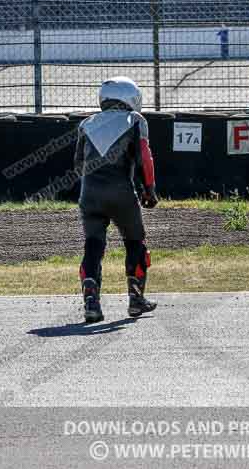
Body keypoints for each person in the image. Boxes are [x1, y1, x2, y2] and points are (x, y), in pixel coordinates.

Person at [74, 76, 159, 323]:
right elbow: (145, 157)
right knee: (135, 241)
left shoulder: (86, 124)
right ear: (131, 97)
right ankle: (136, 300)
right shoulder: (136, 120)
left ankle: (92, 303)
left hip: (89, 193)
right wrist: (149, 189)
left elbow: (78, 164)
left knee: (93, 245)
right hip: (121, 192)